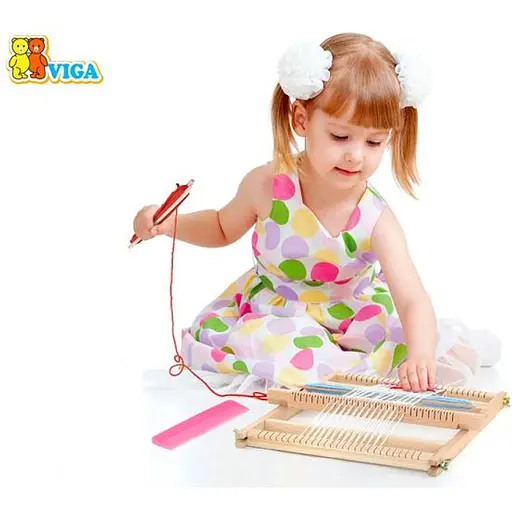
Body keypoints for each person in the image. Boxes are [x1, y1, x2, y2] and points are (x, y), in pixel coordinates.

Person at [133, 32, 501, 393]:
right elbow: (220, 227)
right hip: (278, 313)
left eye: (374, 141)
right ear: (301, 119)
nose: (355, 154)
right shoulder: (267, 185)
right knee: (277, 345)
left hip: (353, 317)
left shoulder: (376, 219)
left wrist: (419, 355)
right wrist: (171, 224)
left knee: (412, 341)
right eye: (340, 136)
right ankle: (325, 367)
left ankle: (345, 364)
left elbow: (411, 298)